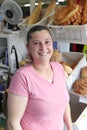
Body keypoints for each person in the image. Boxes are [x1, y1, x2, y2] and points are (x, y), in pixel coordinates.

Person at [6, 25, 72, 130]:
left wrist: (70, 127)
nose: (43, 48)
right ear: (28, 47)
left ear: (52, 44)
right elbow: (13, 124)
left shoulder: (59, 68)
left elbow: (64, 103)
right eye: (36, 43)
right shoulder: (22, 77)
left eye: (47, 42)